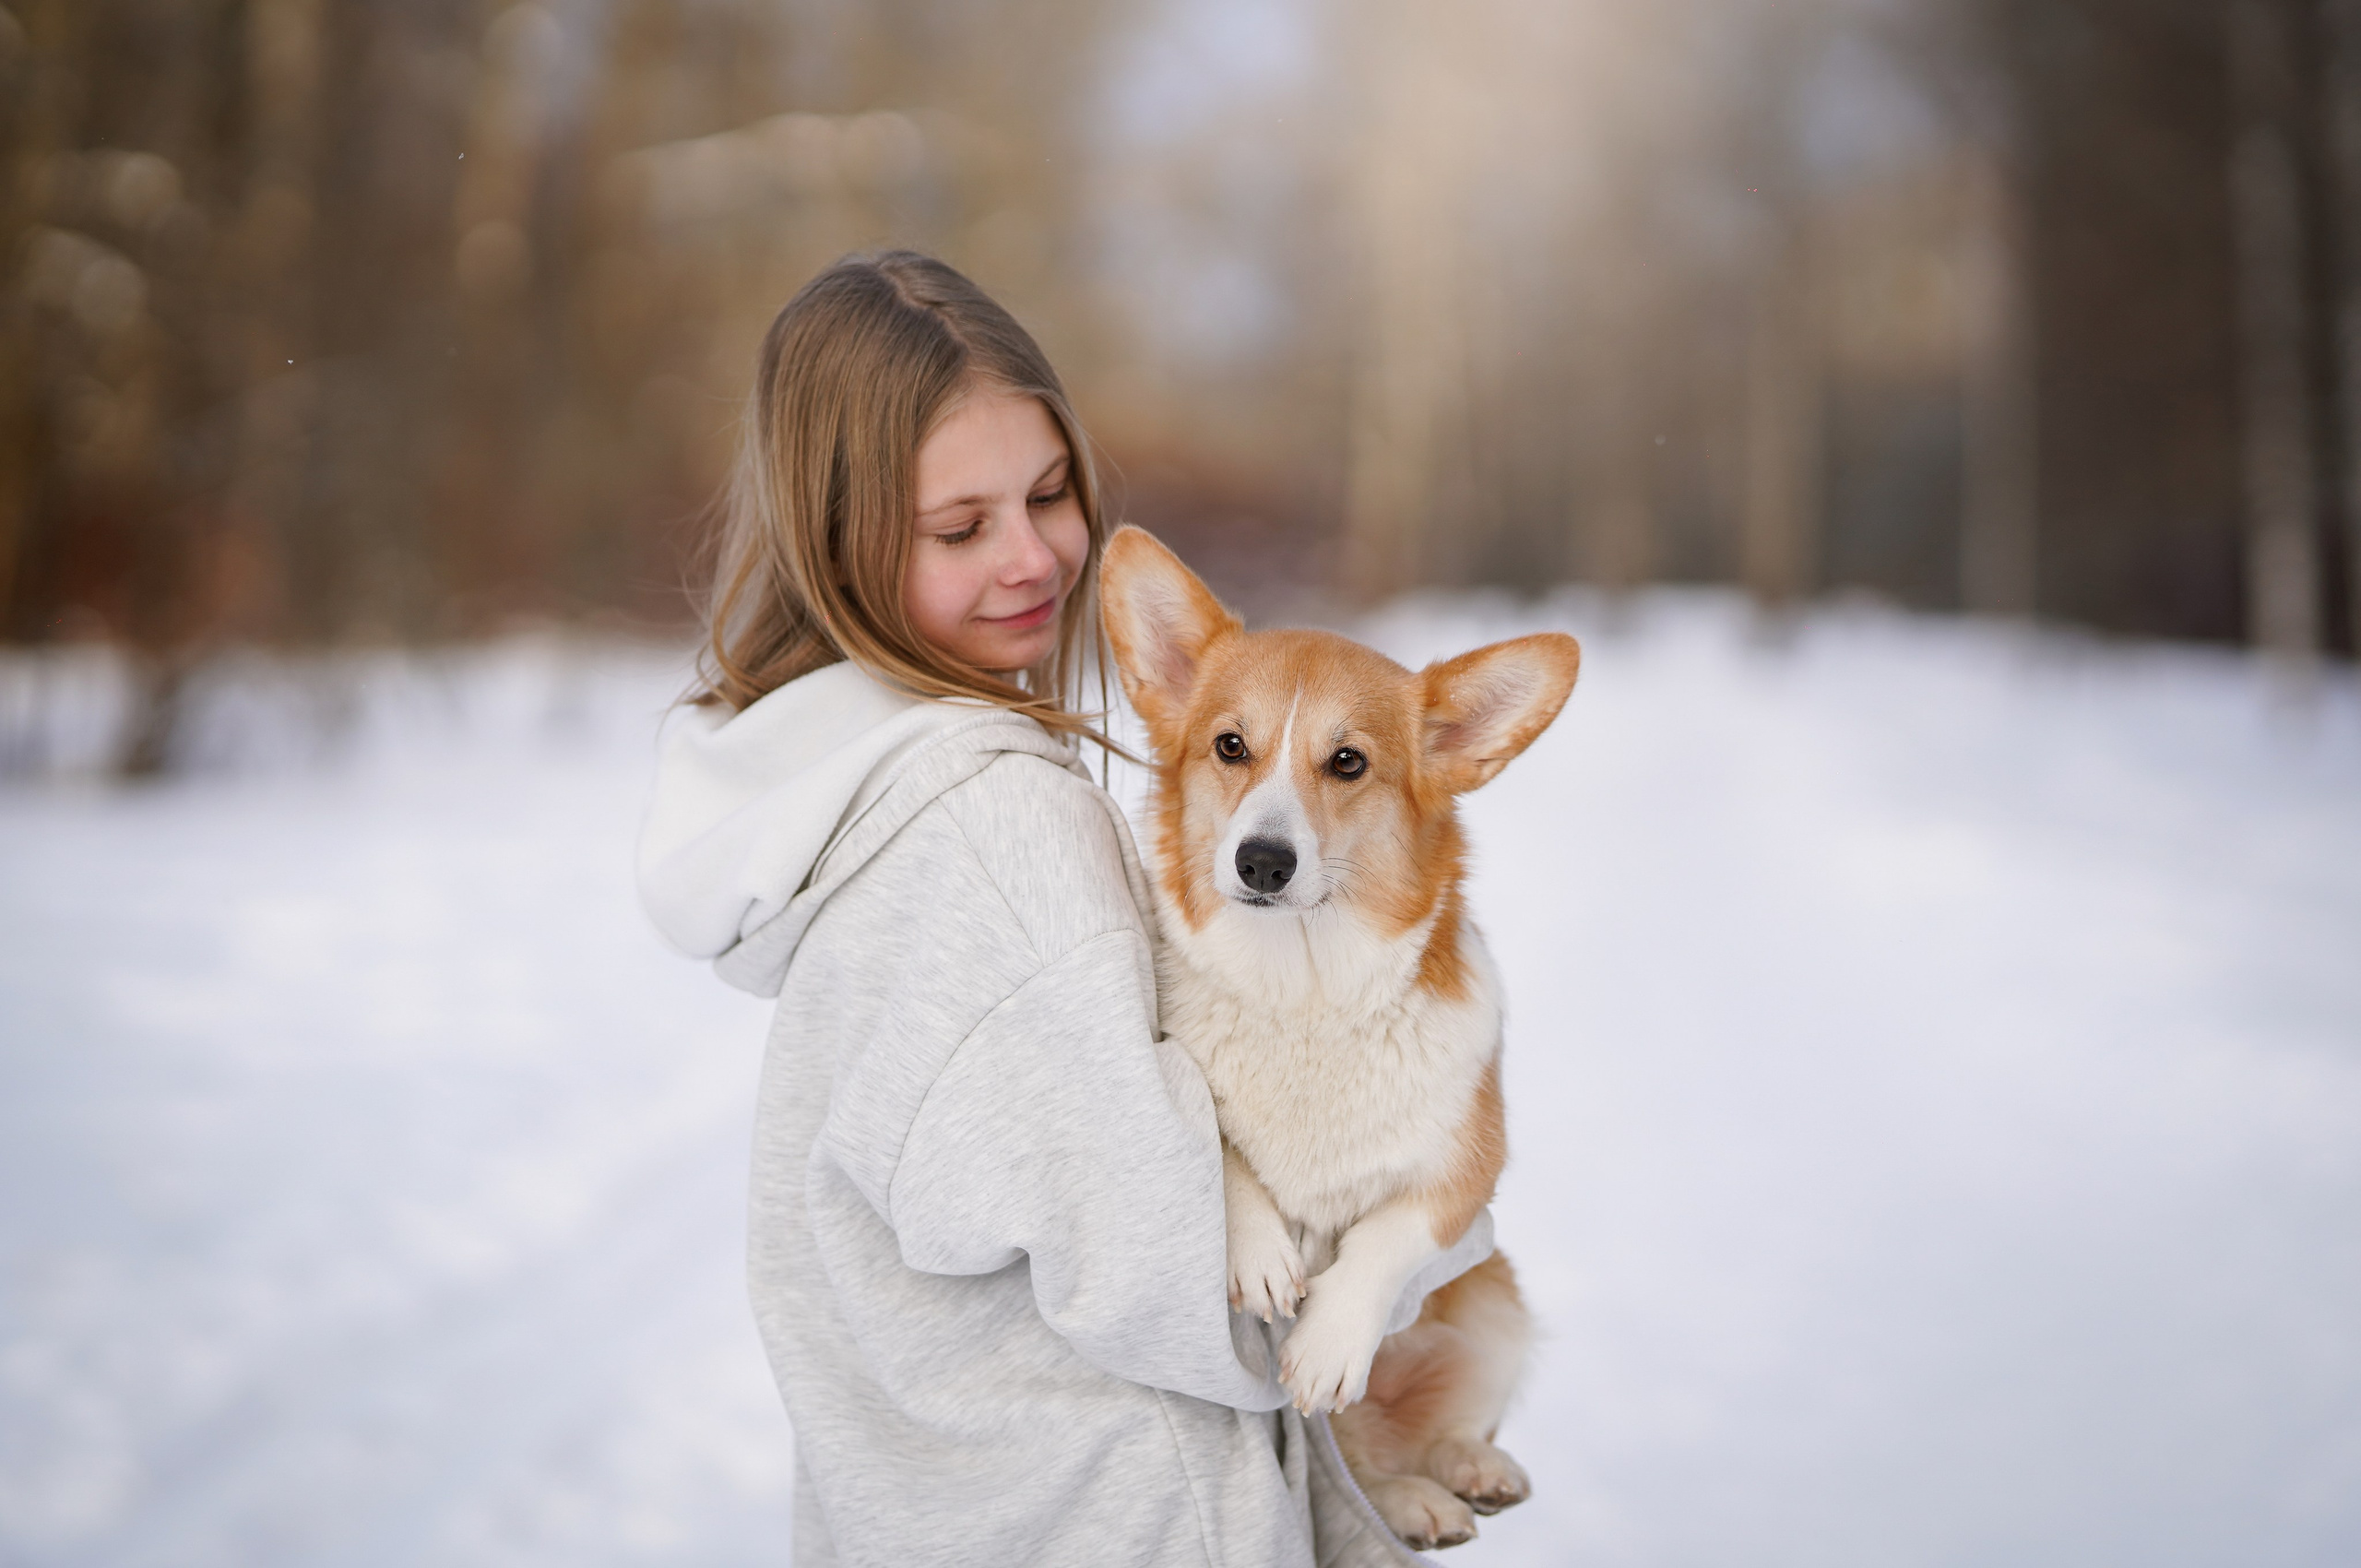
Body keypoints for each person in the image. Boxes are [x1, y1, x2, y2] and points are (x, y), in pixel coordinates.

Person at [635, 251, 1487, 1568]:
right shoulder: (993, 835)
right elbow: (1204, 1304)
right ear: (842, 538)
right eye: (960, 528)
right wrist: (1440, 1184)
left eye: (1047, 494)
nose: (1034, 558)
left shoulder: (835, 805)